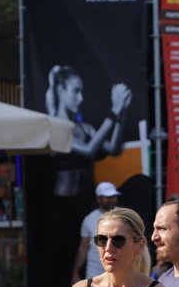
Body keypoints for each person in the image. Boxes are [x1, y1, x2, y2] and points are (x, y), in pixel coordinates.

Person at [44, 66, 130, 197]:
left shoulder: (85, 128)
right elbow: (89, 150)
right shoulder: (55, 127)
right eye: (75, 91)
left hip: (88, 198)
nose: (81, 98)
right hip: (64, 202)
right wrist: (114, 112)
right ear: (61, 90)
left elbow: (113, 149)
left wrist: (121, 115)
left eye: (81, 92)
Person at [72, 183, 123, 283]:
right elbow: (83, 248)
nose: (111, 199)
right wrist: (75, 272)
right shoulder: (89, 219)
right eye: (107, 197)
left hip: (120, 274)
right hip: (94, 274)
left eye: (113, 196)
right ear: (98, 199)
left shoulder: (126, 217)